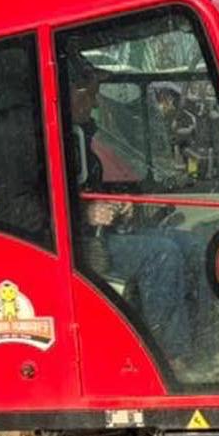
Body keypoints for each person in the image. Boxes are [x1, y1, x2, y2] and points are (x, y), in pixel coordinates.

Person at [68, 58, 194, 364]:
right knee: (162, 254)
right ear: (73, 93)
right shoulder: (45, 140)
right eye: (91, 95)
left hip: (96, 233)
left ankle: (193, 350)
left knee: (188, 243)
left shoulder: (79, 135)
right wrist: (85, 214)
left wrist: (116, 202)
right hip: (72, 246)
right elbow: (32, 209)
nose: (96, 102)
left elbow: (85, 187)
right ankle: (167, 359)